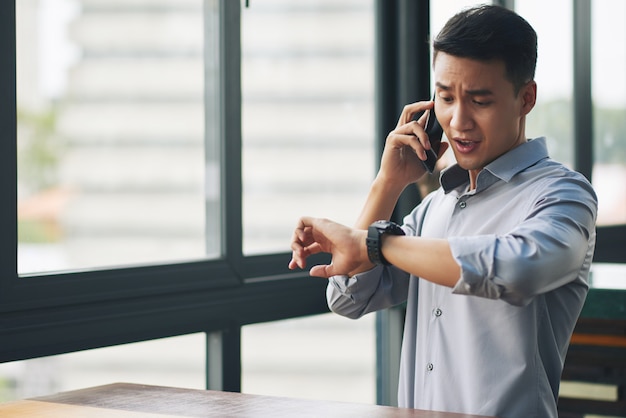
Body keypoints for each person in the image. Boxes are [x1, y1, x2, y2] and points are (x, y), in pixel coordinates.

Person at [289, 5, 597, 418]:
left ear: (526, 98)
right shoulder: (434, 208)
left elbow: (518, 267)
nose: (458, 120)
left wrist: (379, 243)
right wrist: (388, 183)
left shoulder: (563, 195)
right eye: (446, 98)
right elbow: (347, 298)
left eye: (480, 100)